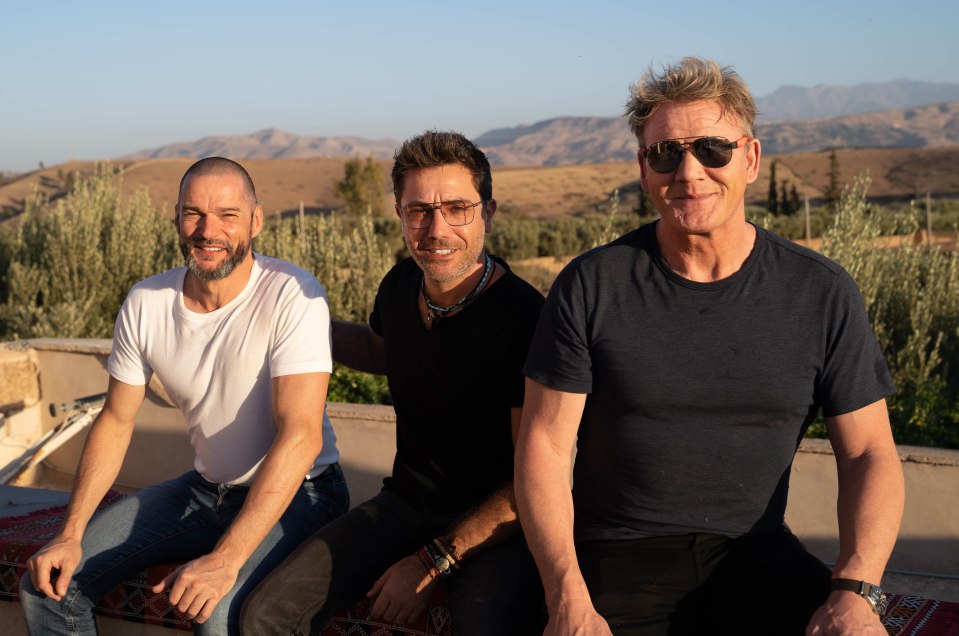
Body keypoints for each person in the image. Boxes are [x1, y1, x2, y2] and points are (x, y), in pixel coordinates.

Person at [515, 57, 905, 636]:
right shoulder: (592, 285)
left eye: (712, 150)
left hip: (755, 553)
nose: (690, 172)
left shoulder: (819, 292)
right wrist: (565, 592)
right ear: (644, 169)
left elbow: (869, 452)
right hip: (616, 558)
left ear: (749, 159)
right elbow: (544, 446)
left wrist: (855, 590)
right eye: (667, 153)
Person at [20, 157, 349, 636]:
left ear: (256, 220)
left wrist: (225, 559)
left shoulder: (290, 295)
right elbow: (115, 420)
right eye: (193, 213)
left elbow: (300, 436)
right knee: (48, 585)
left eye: (227, 215)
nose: (207, 229)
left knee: (216, 616)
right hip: (204, 491)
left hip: (306, 492)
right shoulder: (147, 302)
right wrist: (69, 536)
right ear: (176, 218)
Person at [241, 131, 546, 635]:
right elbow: (383, 351)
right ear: (400, 214)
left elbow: (531, 482)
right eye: (419, 210)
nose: (437, 228)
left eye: (457, 209)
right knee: (264, 614)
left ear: (487, 213)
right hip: (403, 506)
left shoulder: (527, 321)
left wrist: (431, 562)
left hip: (500, 529)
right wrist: (291, 322)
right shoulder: (401, 285)